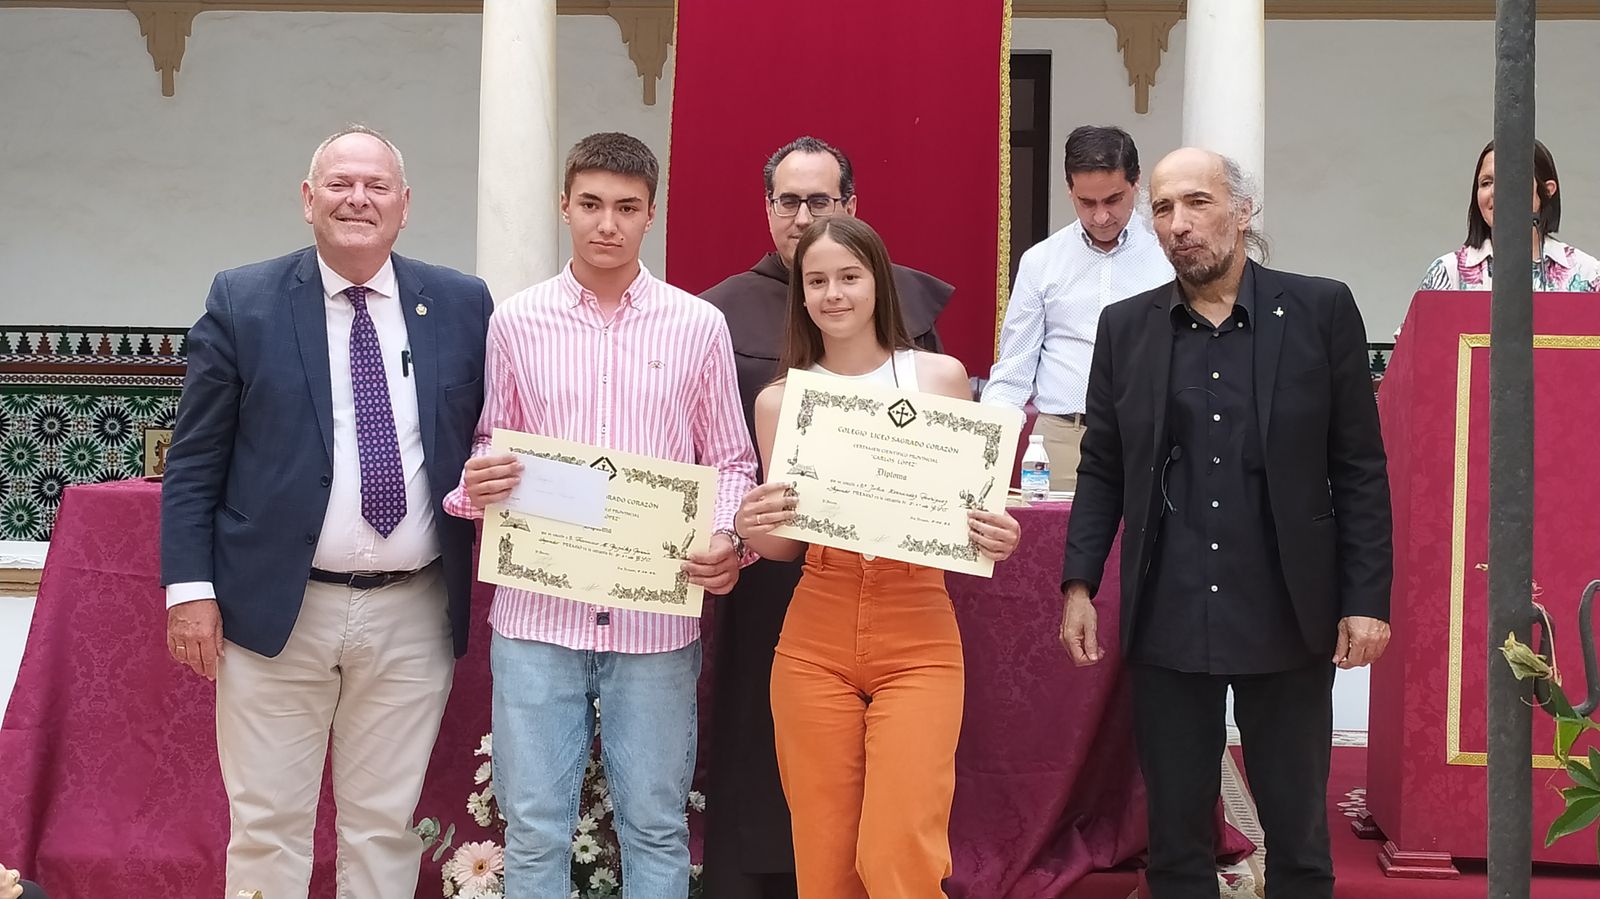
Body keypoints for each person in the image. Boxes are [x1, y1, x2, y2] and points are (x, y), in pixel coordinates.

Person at [159, 125, 492, 899]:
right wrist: (189, 591)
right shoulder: (244, 299)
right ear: (308, 199)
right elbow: (196, 459)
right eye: (340, 183)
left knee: (385, 824)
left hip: (412, 611)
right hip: (276, 606)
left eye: (377, 186)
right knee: (269, 818)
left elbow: (493, 431)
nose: (358, 199)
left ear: (405, 206)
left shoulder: (460, 303)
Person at [1058, 148, 1392, 899]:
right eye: (1166, 209)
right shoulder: (1126, 330)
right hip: (1170, 606)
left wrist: (1366, 596)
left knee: (1299, 829)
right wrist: (1078, 582)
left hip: (1287, 605)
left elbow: (1361, 467)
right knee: (1176, 837)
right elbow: (1103, 466)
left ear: (1243, 212)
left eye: (1199, 204)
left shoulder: (1320, 310)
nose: (1180, 225)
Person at [446, 132, 757, 899]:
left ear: (652, 214)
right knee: (535, 825)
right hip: (537, 619)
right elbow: (493, 441)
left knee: (654, 824)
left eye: (626, 207)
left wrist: (726, 536)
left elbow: (730, 461)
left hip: (654, 622)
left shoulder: (696, 325)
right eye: (590, 204)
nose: (606, 224)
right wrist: (477, 481)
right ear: (564, 207)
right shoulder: (517, 321)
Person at [734, 215, 1021, 898]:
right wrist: (751, 523)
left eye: (849, 276)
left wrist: (995, 533)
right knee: (826, 859)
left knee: (900, 852)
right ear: (800, 295)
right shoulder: (781, 400)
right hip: (815, 631)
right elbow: (782, 545)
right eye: (817, 280)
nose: (834, 293)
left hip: (917, 624)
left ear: (878, 282)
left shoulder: (942, 378)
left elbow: (971, 515)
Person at [698, 134, 955, 899]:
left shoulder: (931, 365)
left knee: (899, 839)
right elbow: (730, 473)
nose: (803, 215)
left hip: (907, 602)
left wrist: (982, 528)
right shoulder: (731, 329)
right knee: (813, 827)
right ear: (767, 208)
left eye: (821, 200)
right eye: (789, 200)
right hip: (784, 595)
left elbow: (951, 493)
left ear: (850, 207)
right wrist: (744, 519)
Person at [983, 125, 1173, 491]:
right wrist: (989, 444)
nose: (1101, 216)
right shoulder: (1042, 261)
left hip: (1152, 436)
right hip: (1062, 439)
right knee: (1060, 546)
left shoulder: (1166, 256)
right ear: (1069, 189)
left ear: (1136, 184)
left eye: (1113, 200)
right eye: (1087, 203)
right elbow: (1013, 371)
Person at [1420, 139, 1600, 292]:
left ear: (1546, 190)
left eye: (1510, 179)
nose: (1496, 191)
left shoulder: (1587, 274)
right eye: (1486, 183)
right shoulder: (1448, 274)